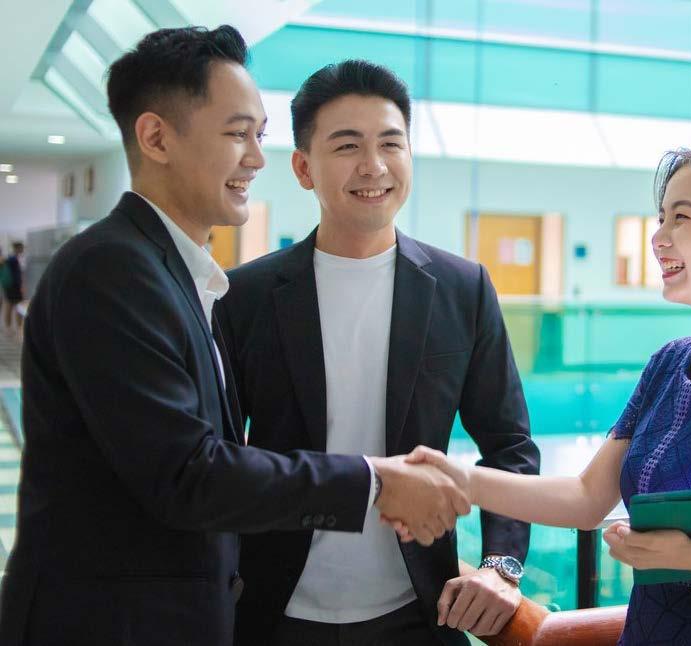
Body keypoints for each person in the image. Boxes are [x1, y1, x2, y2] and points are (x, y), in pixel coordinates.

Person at [0, 28, 468, 646]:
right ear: (156, 138)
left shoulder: (174, 273)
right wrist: (376, 483)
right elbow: (188, 473)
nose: (255, 159)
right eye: (236, 134)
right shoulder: (113, 270)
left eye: (259, 136)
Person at [397, 135, 691, 645]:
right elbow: (586, 498)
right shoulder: (669, 363)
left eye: (681, 218)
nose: (659, 237)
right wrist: (459, 479)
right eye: (661, 218)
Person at [214, 59, 540, 646]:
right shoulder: (244, 297)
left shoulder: (462, 289)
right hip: (273, 610)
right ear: (303, 168)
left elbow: (509, 445)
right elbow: (220, 459)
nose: (374, 166)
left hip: (419, 611)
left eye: (391, 144)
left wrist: (501, 566)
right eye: (347, 146)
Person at [2, 242, 24, 332]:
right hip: (13, 286)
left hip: (11, 286)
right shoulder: (12, 259)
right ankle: (13, 326)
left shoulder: (13, 258)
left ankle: (12, 326)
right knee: (13, 305)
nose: (22, 250)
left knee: (12, 305)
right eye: (21, 248)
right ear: (17, 248)